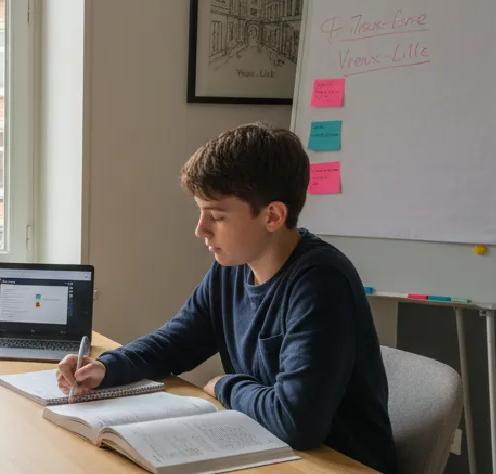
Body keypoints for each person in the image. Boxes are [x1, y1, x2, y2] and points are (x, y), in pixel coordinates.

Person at [57, 123, 397, 474]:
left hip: (335, 463)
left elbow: (297, 421)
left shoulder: (321, 283)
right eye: (201, 212)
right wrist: (108, 367)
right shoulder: (232, 266)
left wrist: (225, 384)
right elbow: (178, 341)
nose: (200, 229)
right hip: (268, 449)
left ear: (273, 216)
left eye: (217, 216)